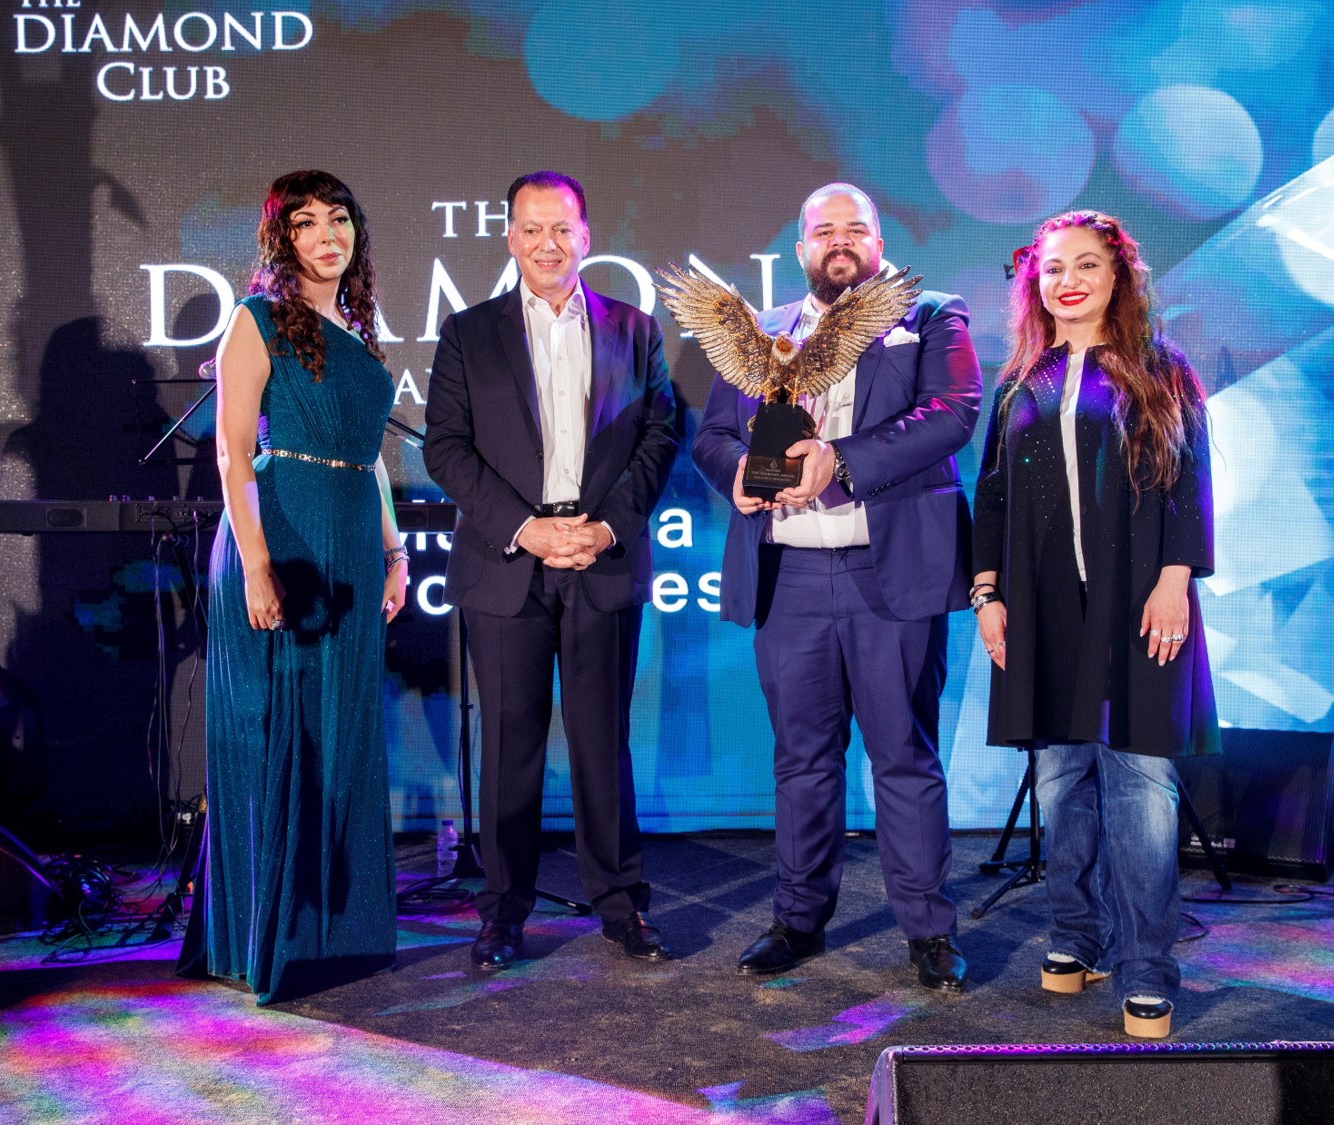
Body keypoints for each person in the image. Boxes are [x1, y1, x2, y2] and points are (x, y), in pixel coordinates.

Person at [691, 183, 981, 992]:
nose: (841, 240)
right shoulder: (763, 334)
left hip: (888, 573)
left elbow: (954, 410)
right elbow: (713, 437)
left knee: (903, 756)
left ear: (881, 241)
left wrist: (841, 460)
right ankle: (796, 918)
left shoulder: (931, 315)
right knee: (802, 759)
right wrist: (738, 474)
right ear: (802, 248)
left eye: (857, 228)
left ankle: (928, 928)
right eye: (825, 230)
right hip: (789, 576)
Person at [423, 170, 682, 971]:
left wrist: (604, 527)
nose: (548, 244)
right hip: (508, 560)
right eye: (532, 229)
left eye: (562, 228)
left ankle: (622, 905)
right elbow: (445, 447)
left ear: (586, 236)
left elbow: (660, 436)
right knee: (510, 746)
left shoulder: (635, 329)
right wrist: (527, 528)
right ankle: (503, 912)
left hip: (600, 556)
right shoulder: (469, 334)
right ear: (509, 238)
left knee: (604, 742)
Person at [972, 210, 1217, 1038]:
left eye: (1084, 265)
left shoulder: (1162, 369)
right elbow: (992, 495)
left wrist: (1176, 578)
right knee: (1060, 780)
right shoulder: (1021, 381)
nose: (1067, 281)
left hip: (1139, 604)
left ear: (1118, 275)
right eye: (1052, 269)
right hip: (1044, 612)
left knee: (1140, 785)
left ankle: (1147, 967)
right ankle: (1077, 935)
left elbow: (1190, 481)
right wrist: (987, 593)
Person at [179, 170, 406, 1005]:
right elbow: (233, 451)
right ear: (283, 239)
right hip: (282, 532)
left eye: (339, 219)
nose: (327, 235)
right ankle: (268, 936)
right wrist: (257, 563)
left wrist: (394, 550)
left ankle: (337, 933)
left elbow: (368, 456)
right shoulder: (257, 318)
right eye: (307, 223)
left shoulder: (356, 330)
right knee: (282, 731)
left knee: (341, 729)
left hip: (350, 537)